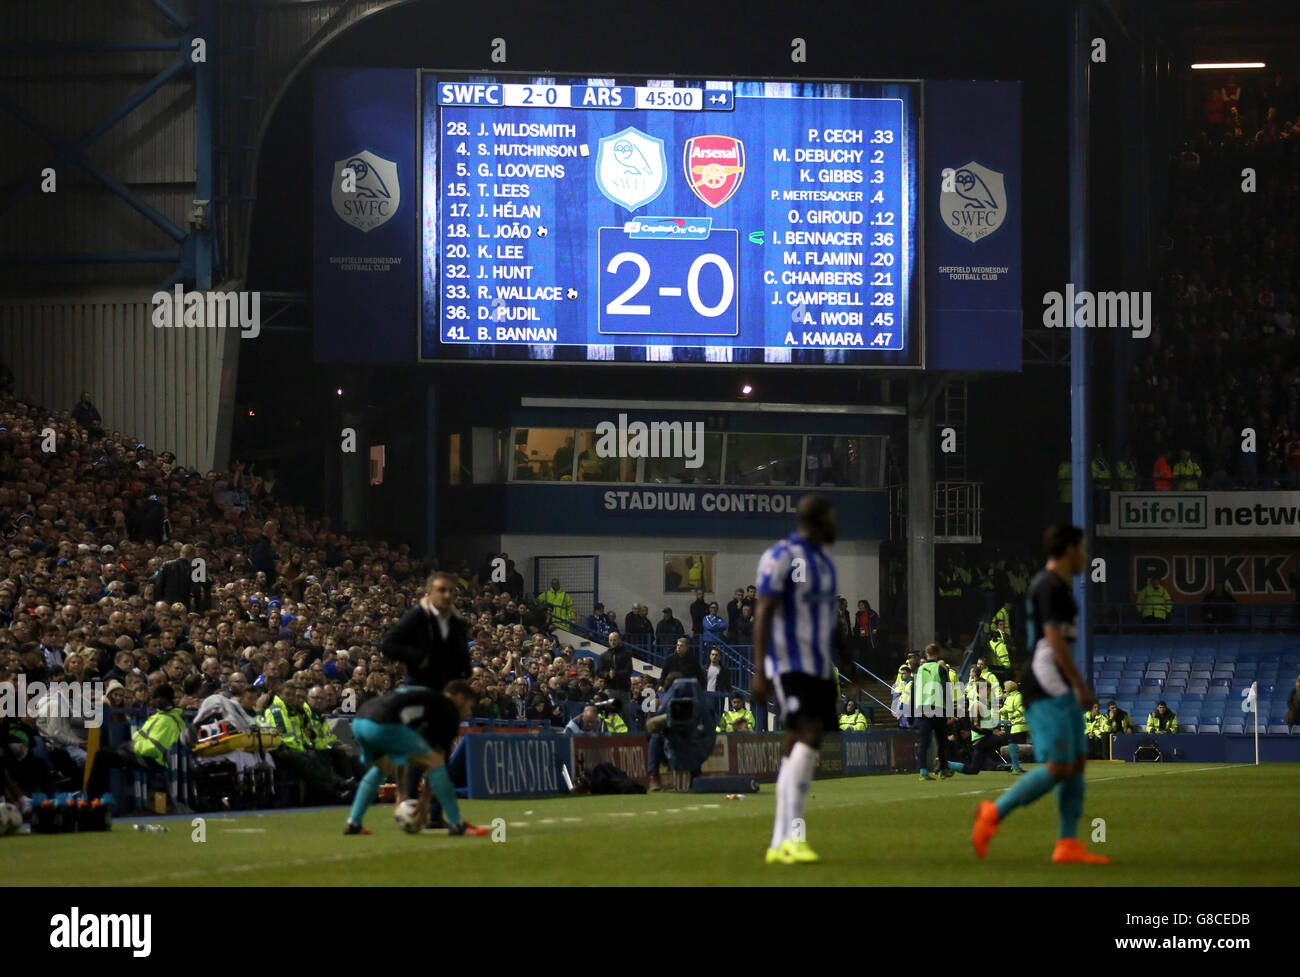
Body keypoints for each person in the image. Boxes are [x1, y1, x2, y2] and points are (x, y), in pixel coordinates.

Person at [972, 524, 1110, 864]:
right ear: (1068, 550)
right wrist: (1078, 684)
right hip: (1047, 684)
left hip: (1058, 682)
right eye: (1083, 548)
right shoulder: (1049, 586)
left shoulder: (1058, 586)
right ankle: (993, 812)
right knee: (1061, 766)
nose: (1086, 555)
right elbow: (1052, 642)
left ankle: (1067, 844)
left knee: (1075, 764)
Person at [752, 495, 858, 865]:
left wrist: (850, 664)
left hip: (819, 667)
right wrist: (759, 669)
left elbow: (831, 622)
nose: (836, 527)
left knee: (805, 742)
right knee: (809, 733)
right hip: (788, 664)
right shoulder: (781, 556)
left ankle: (783, 840)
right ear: (817, 521)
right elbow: (763, 612)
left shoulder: (827, 564)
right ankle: (789, 837)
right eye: (831, 520)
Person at [344, 681, 487, 837]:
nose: (470, 713)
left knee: (381, 767)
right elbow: (439, 763)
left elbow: (400, 755)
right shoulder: (447, 709)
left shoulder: (425, 696)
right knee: (435, 762)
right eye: (470, 707)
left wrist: (402, 794)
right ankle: (457, 824)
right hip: (384, 723)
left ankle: (354, 822)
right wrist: (425, 802)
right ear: (460, 698)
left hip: (361, 720)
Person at [84, 684, 186, 804]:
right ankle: (98, 798)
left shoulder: (168, 720)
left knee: (101, 755)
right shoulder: (161, 715)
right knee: (106, 755)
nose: (154, 701)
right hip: (140, 753)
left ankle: (91, 800)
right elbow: (142, 737)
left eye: (156, 698)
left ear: (165, 698)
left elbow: (154, 749)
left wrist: (131, 747)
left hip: (151, 759)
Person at [910, 644, 954, 780]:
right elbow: (946, 689)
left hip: (922, 708)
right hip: (938, 707)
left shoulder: (919, 670)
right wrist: (950, 711)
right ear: (938, 654)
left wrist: (910, 716)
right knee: (942, 741)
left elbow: (913, 692)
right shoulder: (939, 669)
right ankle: (944, 769)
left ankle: (923, 770)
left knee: (924, 742)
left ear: (926, 654)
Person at [596, 632, 632, 698]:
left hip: (624, 689)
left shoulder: (626, 654)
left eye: (614, 640)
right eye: (611, 640)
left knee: (625, 708)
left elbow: (629, 671)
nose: (613, 642)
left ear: (619, 640)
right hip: (610, 688)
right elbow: (599, 672)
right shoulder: (603, 656)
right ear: (608, 641)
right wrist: (608, 674)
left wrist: (616, 673)